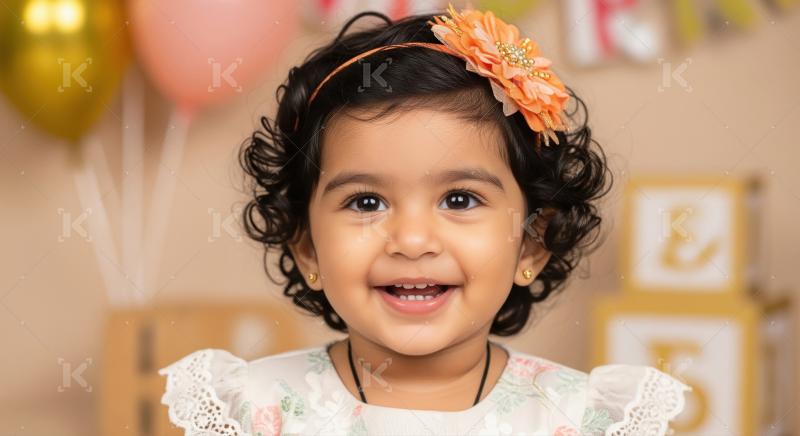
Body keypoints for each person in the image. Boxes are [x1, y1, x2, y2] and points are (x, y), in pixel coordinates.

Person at [158, 3, 691, 434]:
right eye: (366, 203)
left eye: (459, 200)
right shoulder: (252, 412)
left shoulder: (585, 419)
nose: (412, 241)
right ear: (307, 249)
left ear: (531, 243)